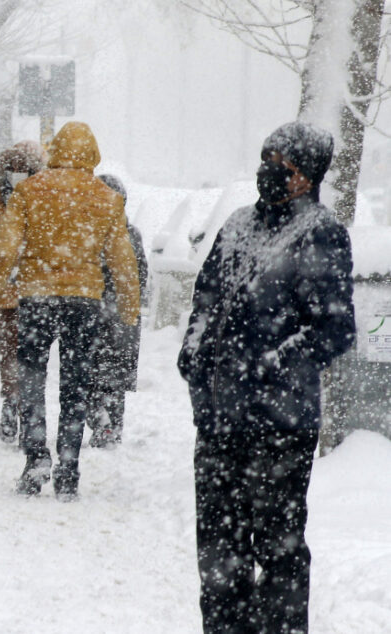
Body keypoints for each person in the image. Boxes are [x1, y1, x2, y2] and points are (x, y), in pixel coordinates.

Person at [178, 122, 354, 634]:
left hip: (280, 425)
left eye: (283, 164)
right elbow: (205, 301)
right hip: (218, 421)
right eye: (266, 159)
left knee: (279, 552)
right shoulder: (237, 224)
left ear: (308, 175)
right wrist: (194, 355)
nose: (269, 171)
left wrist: (270, 365)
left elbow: (335, 329)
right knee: (219, 553)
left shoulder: (320, 233)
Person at [0, 121, 140, 500]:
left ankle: (35, 457)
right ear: (93, 154)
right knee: (75, 385)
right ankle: (68, 466)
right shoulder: (107, 199)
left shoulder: (29, 190)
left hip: (37, 298)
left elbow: (5, 249)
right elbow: (123, 261)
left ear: (55, 150)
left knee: (31, 380)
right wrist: (129, 307)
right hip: (84, 301)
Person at [0, 141, 46, 444]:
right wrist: (5, 259)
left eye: (23, 169)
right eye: (12, 169)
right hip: (9, 295)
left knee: (32, 357)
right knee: (10, 355)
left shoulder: (43, 199)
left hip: (36, 293)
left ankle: (26, 409)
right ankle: (12, 401)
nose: (17, 174)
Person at [87, 174, 149, 447]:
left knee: (89, 372)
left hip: (95, 311)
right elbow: (141, 276)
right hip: (121, 315)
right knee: (113, 378)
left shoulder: (85, 232)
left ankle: (99, 419)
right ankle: (110, 426)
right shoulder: (130, 233)